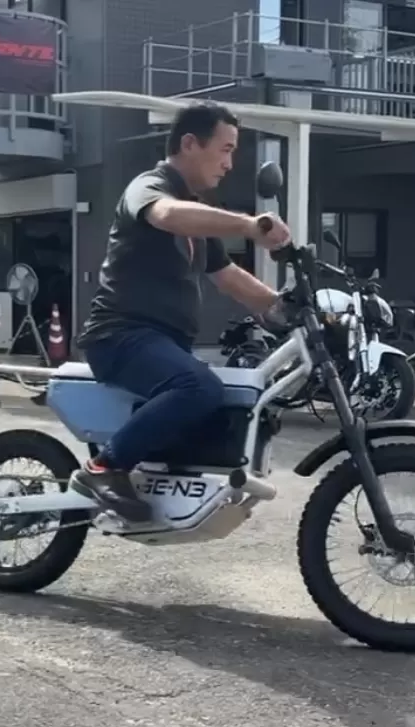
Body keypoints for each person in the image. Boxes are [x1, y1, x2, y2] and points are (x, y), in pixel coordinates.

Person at [69, 101, 292, 522]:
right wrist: (249, 225)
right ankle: (104, 467)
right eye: (225, 149)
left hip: (161, 342)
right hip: (119, 336)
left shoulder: (195, 213)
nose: (229, 164)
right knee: (199, 387)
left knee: (228, 396)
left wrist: (286, 308)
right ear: (190, 143)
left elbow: (228, 276)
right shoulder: (149, 187)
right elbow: (168, 215)